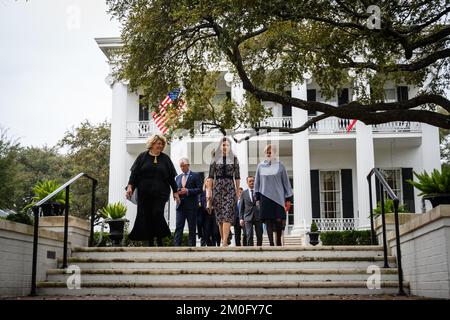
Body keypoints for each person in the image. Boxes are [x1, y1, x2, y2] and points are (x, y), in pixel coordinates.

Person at [126, 134, 180, 246]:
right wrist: (130, 186)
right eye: (158, 144)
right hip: (144, 193)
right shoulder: (142, 157)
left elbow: (171, 178)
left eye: (162, 144)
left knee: (157, 213)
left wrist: (175, 192)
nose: (160, 146)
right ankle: (150, 241)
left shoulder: (165, 159)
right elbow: (134, 174)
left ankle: (160, 239)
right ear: (152, 144)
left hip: (161, 193)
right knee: (146, 216)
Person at [254, 144, 292, 246]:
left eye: (270, 152)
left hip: (278, 198)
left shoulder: (281, 166)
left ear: (275, 153)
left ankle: (278, 241)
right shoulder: (260, 166)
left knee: (278, 220)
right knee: (268, 221)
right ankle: (271, 243)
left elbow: (286, 182)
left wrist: (288, 198)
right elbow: (257, 182)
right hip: (265, 197)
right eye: (267, 152)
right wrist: (257, 197)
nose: (268, 154)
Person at [207, 137, 240, 247]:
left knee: (227, 215)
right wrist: (209, 193)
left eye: (227, 145)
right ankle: (223, 240)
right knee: (220, 218)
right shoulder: (214, 159)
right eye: (223, 145)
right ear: (220, 146)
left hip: (230, 188)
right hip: (217, 189)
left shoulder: (234, 159)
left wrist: (237, 191)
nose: (225, 147)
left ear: (230, 147)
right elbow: (210, 177)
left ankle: (224, 242)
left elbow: (237, 177)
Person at [174, 157, 202, 246]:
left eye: (184, 166)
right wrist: (177, 193)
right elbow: (175, 191)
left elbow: (200, 189)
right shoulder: (178, 177)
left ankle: (192, 248)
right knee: (178, 227)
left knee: (192, 228)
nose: (182, 168)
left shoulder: (196, 175)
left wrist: (188, 191)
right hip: (180, 206)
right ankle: (176, 247)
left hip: (191, 207)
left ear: (188, 165)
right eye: (181, 166)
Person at [239, 176, 263, 246]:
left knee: (259, 235)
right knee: (249, 235)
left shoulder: (258, 192)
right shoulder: (243, 193)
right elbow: (241, 207)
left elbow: (262, 204)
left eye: (253, 181)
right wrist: (241, 218)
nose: (252, 182)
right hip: (247, 217)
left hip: (258, 216)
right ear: (247, 183)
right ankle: (250, 251)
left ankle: (259, 251)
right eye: (250, 181)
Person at [199, 177, 221, 246]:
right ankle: (208, 244)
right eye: (207, 181)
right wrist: (207, 206)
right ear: (205, 183)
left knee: (215, 232)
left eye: (210, 181)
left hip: (214, 214)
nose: (208, 183)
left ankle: (215, 245)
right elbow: (202, 202)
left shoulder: (216, 192)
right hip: (206, 214)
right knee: (206, 231)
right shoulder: (202, 193)